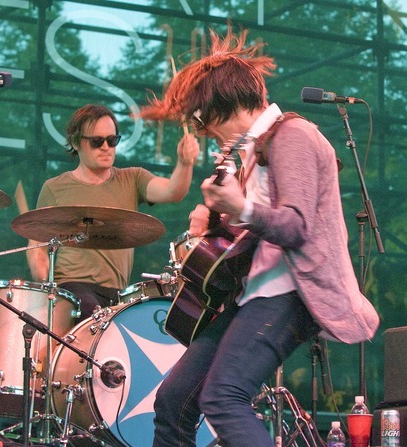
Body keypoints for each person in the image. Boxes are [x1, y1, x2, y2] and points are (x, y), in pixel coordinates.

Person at [138, 28, 380, 446]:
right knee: (175, 399)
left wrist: (240, 208)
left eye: (199, 118)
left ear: (217, 104)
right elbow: (250, 235)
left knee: (223, 397)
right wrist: (215, 222)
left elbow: (296, 225)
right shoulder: (252, 150)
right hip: (256, 294)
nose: (200, 129)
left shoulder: (293, 135)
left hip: (290, 292)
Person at [26, 104, 199, 321]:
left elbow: (172, 191)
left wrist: (185, 162)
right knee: (91, 316)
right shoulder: (54, 187)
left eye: (112, 140)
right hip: (71, 288)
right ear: (76, 142)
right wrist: (47, 286)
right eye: (97, 141)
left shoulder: (133, 178)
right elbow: (37, 246)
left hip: (117, 293)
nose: (106, 147)